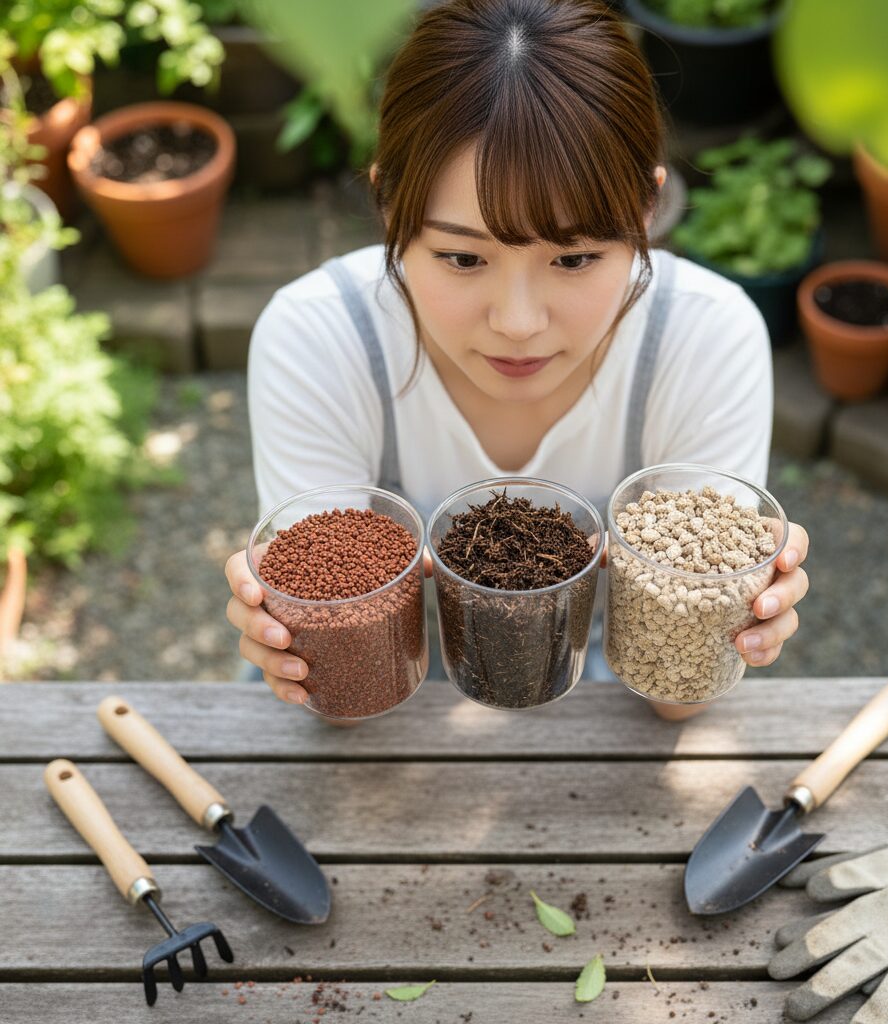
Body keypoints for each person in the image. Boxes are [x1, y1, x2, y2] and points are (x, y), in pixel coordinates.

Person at [223, 0, 809, 722]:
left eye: (575, 257)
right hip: (385, 710)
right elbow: (344, 702)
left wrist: (726, 630)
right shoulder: (321, 337)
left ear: (647, 212)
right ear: (387, 205)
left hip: (601, 704)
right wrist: (296, 638)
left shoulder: (705, 340)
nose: (519, 323)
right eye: (463, 257)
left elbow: (673, 702)